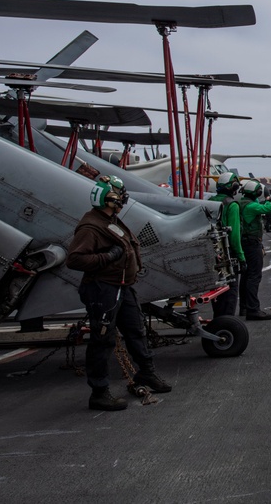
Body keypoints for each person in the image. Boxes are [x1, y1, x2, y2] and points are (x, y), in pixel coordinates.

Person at [66, 175, 172, 411]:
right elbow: (74, 259)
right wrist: (109, 257)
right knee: (102, 340)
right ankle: (99, 392)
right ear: (110, 198)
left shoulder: (110, 220)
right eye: (120, 194)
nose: (124, 198)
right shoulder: (91, 226)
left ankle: (146, 374)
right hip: (103, 289)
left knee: (136, 330)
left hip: (121, 287)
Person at [237, 178, 271, 320]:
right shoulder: (251, 207)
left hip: (245, 243)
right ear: (256, 192)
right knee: (254, 276)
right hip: (252, 244)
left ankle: (244, 308)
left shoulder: (243, 203)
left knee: (245, 277)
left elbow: (262, 205)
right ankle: (253, 310)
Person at [208, 172, 246, 317]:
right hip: (227, 256)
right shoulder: (232, 205)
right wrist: (241, 258)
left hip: (211, 253)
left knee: (216, 291)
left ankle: (218, 320)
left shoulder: (210, 201)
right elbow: (234, 236)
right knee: (230, 289)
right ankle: (226, 324)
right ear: (233, 187)